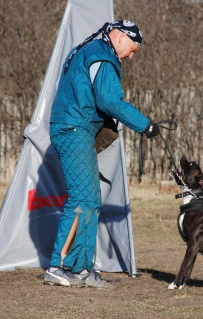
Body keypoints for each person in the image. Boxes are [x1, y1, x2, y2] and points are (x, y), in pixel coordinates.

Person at [44, 20, 160, 289]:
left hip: (75, 127)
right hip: (74, 128)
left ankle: (81, 269)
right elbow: (108, 100)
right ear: (120, 38)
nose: (131, 56)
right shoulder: (101, 55)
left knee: (90, 198)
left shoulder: (91, 51)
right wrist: (144, 125)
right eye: (133, 49)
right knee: (83, 198)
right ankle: (58, 267)